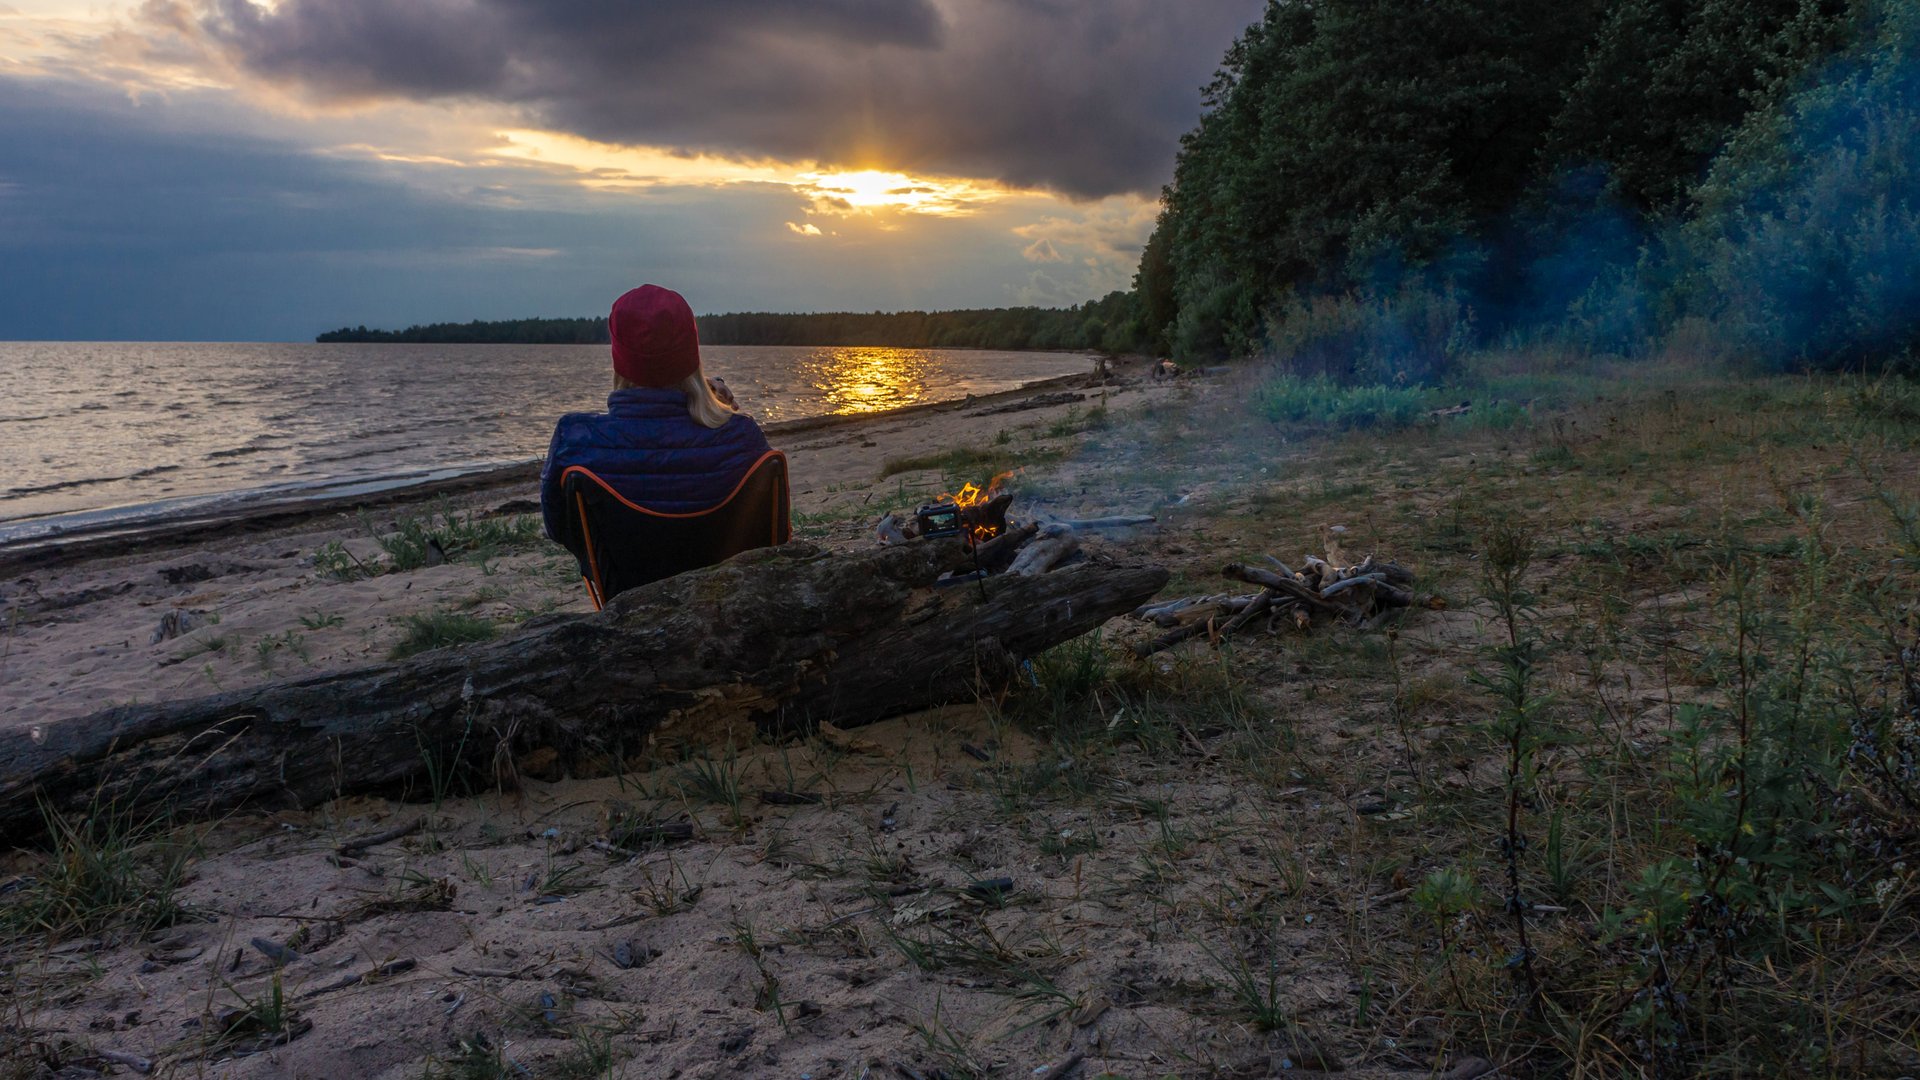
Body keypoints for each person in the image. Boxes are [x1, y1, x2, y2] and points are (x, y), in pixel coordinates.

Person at [539, 285, 777, 544]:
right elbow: (768, 530)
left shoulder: (574, 439)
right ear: (691, 353)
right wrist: (703, 394)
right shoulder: (742, 436)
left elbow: (560, 531)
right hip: (723, 578)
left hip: (622, 582)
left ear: (618, 359)